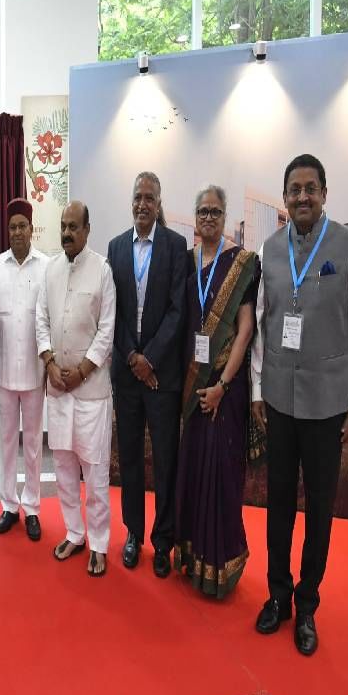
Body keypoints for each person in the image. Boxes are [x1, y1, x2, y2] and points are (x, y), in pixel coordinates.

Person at [251, 154, 348, 656]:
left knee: (320, 511)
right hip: (280, 403)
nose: (301, 197)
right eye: (293, 190)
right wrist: (259, 390)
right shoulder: (269, 249)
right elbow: (264, 325)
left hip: (328, 406)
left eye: (310, 188)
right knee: (277, 506)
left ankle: (307, 605)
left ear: (324, 193)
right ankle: (278, 596)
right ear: (284, 198)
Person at [174, 186, 259, 598]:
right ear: (195, 217)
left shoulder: (241, 263)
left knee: (221, 474)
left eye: (215, 211)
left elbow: (245, 330)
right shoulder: (187, 261)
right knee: (193, 468)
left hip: (226, 386)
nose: (208, 217)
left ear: (225, 217)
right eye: (202, 210)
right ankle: (192, 555)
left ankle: (222, 562)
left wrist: (223, 386)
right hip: (193, 386)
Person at [107, 171, 187, 577]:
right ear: (132, 201)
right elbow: (113, 312)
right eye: (137, 196)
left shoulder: (176, 247)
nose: (142, 204)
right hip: (127, 376)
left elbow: (178, 311)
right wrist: (131, 356)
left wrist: (149, 358)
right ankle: (134, 534)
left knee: (166, 462)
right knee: (132, 462)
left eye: (149, 198)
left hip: (161, 379)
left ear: (159, 203)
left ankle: (163, 540)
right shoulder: (116, 248)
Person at [36, 201, 116, 575]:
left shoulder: (102, 270)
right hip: (57, 388)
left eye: (73, 227)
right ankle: (74, 531)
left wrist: (81, 371)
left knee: (94, 470)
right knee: (65, 467)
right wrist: (50, 363)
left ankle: (99, 543)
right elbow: (42, 320)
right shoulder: (50, 270)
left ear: (87, 229)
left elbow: (108, 330)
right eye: (63, 226)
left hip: (90, 391)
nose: (67, 233)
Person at [0, 198, 48, 541]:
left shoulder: (46, 266)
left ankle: (33, 506)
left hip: (36, 373)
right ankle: (9, 505)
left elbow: (48, 321)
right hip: (5, 372)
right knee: (7, 440)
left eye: (23, 226)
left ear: (31, 228)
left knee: (34, 443)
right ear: (7, 231)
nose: (18, 232)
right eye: (12, 227)